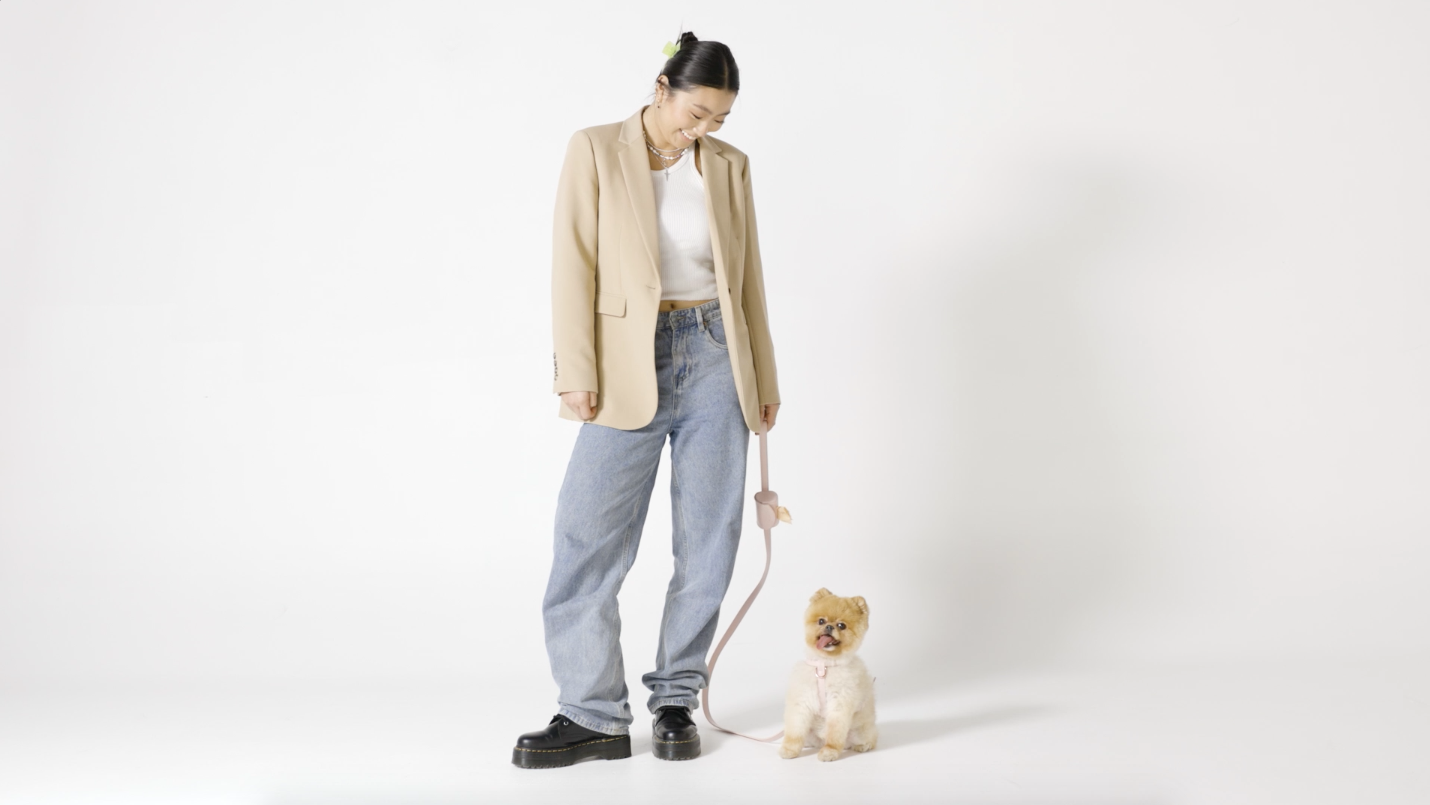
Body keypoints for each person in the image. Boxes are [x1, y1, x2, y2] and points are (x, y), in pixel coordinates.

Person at [511, 31, 782, 769]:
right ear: (661, 88)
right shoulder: (596, 149)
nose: (703, 130)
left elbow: (748, 278)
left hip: (717, 357)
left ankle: (674, 699)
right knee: (586, 536)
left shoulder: (729, 168)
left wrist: (765, 380)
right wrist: (575, 365)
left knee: (708, 539)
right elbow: (572, 262)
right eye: (695, 112)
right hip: (629, 361)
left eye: (718, 120)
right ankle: (592, 712)